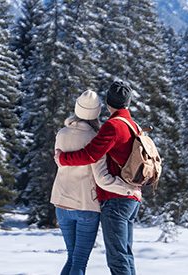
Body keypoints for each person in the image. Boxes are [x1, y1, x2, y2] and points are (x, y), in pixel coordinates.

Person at [56, 81, 143, 275]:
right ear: (128, 102)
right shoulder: (133, 125)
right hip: (130, 199)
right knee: (125, 255)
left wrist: (63, 158)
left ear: (108, 103)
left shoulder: (112, 126)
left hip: (116, 200)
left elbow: (90, 155)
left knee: (117, 259)